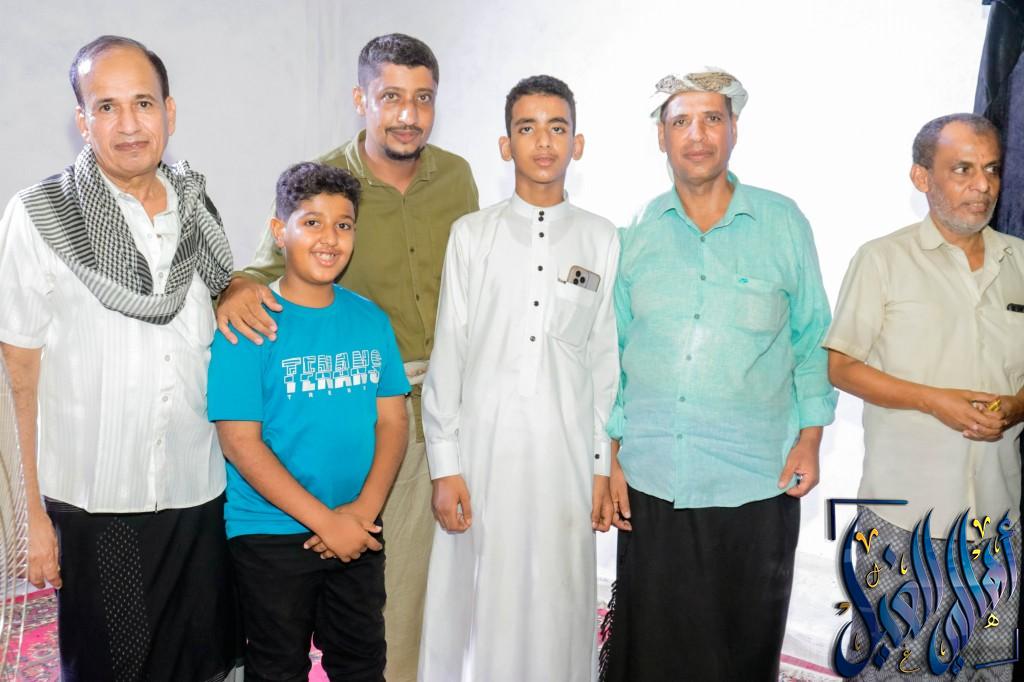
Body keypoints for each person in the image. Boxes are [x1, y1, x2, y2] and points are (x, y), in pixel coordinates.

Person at [214, 34, 477, 679]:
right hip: (367, 400)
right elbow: (262, 269)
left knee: (429, 581)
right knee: (370, 590)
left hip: (446, 396)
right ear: (361, 100)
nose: (408, 114)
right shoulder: (328, 181)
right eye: (391, 97)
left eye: (423, 99)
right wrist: (234, 287)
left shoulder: (457, 177)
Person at [0, 36, 237, 681]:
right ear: (83, 121)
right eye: (106, 107)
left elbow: (228, 301)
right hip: (96, 502)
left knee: (203, 666)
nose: (129, 124)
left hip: (196, 489)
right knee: (114, 670)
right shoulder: (40, 215)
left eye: (143, 103)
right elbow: (17, 376)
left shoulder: (197, 208)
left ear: (170, 111)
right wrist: (30, 518)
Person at [599, 69, 837, 681]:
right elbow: (614, 354)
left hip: (755, 481)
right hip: (653, 480)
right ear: (661, 136)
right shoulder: (636, 232)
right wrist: (612, 457)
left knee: (739, 652)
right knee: (651, 654)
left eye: (712, 119)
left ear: (735, 129)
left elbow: (813, 337)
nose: (697, 135)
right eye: (680, 121)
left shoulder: (782, 223)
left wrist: (811, 436)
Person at [417, 75, 618, 682]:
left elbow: (605, 362)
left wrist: (600, 466)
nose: (543, 142)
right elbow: (450, 351)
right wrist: (445, 465)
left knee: (560, 594)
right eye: (527, 128)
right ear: (506, 145)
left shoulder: (601, 238)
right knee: (478, 593)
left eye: (557, 128)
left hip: (565, 456)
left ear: (577, 143)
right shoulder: (472, 235)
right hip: (482, 452)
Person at [825, 113, 1024, 678]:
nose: (982, 185)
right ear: (921, 177)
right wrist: (933, 400)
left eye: (991, 170)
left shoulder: (1020, 261)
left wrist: (1016, 407)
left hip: (996, 523)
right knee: (897, 669)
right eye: (962, 169)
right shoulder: (882, 260)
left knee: (988, 669)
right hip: (904, 521)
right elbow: (841, 366)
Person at [208, 162, 410, 681]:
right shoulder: (248, 324)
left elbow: (392, 422)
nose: (329, 238)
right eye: (312, 222)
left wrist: (361, 512)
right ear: (280, 232)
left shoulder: (370, 319)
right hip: (271, 533)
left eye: (343, 225)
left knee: (362, 662)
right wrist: (326, 523)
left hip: (359, 527)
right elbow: (239, 442)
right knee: (277, 667)